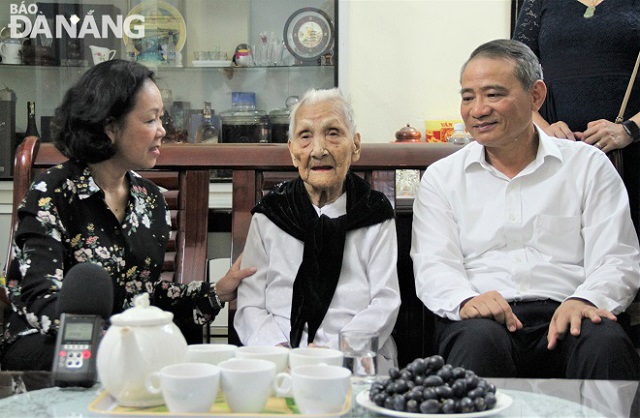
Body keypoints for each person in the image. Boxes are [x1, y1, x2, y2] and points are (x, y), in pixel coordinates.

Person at [0, 59, 255, 371]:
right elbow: (39, 301)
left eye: (162, 118)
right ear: (110, 128)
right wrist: (123, 341)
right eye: (150, 120)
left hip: (125, 347)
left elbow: (141, 296)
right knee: (132, 362)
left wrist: (216, 291)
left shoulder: (151, 202)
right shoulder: (51, 193)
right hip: (50, 344)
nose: (163, 130)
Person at [411, 39, 640, 379]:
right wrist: (464, 300)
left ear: (536, 95)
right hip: (484, 319)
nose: (478, 110)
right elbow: (434, 265)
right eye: (468, 97)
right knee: (476, 343)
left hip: (570, 310)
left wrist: (588, 299)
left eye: (493, 94)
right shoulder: (442, 178)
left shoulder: (587, 166)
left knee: (603, 343)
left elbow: (617, 258)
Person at [234, 88, 401, 373]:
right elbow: (250, 305)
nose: (319, 149)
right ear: (292, 151)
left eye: (333, 133)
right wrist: (277, 351)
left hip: (354, 355)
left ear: (355, 146)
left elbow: (385, 301)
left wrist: (336, 352)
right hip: (281, 357)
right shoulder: (271, 215)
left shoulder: (374, 211)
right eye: (306, 136)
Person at [513, 0, 640, 234]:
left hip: (631, 153)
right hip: (556, 152)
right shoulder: (539, 2)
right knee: (558, 246)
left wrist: (630, 130)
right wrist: (542, 127)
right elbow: (514, 74)